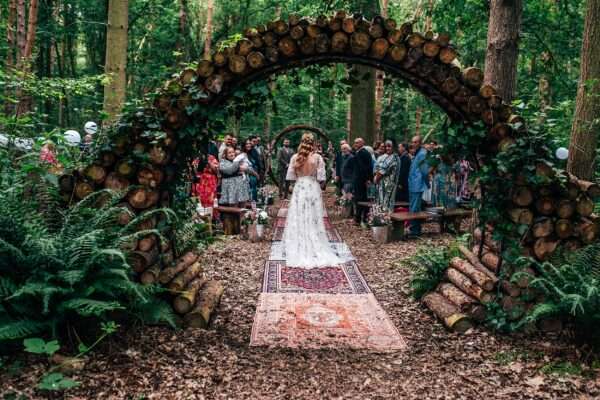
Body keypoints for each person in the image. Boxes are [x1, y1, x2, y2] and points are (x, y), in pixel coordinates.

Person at [283, 133, 343, 267]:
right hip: (312, 187)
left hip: (300, 187)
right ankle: (315, 241)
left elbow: (290, 177)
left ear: (301, 142)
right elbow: (322, 177)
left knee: (299, 215)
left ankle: (300, 242)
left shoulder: (295, 157)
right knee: (314, 216)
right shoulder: (317, 158)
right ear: (313, 143)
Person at [408, 135, 430, 237]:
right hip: (413, 183)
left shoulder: (422, 154)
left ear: (420, 143)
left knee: (415, 208)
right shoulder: (417, 153)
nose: (413, 144)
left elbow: (425, 171)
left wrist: (427, 183)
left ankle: (415, 231)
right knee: (414, 207)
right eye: (412, 142)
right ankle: (414, 229)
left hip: (417, 184)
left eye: (416, 142)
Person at [352, 138, 374, 226]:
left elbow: (366, 168)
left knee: (362, 199)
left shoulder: (364, 153)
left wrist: (367, 179)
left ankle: (362, 219)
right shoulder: (358, 153)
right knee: (358, 199)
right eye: (355, 143)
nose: (355, 144)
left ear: (362, 143)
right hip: (358, 180)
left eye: (357, 143)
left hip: (362, 181)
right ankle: (359, 218)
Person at [374, 140, 399, 212]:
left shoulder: (393, 158)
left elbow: (382, 170)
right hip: (382, 185)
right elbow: (376, 168)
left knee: (385, 206)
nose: (387, 148)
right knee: (381, 204)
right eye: (386, 146)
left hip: (388, 186)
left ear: (394, 147)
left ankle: (385, 221)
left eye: (389, 146)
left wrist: (376, 178)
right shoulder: (387, 156)